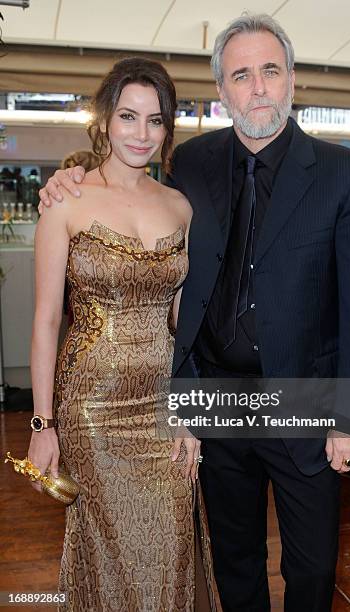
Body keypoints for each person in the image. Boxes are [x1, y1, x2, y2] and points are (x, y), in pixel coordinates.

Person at [39, 14, 350, 612]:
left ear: (292, 80)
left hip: (305, 402)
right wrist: (69, 179)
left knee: (311, 568)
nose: (257, 88)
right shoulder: (193, 165)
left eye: (270, 72)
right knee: (234, 559)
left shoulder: (344, 174)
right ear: (222, 91)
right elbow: (130, 192)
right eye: (241, 75)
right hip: (215, 399)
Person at [28, 57, 216, 611]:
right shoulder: (67, 200)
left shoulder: (180, 208)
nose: (141, 133)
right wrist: (43, 423)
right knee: (113, 560)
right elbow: (44, 320)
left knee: (169, 553)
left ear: (167, 129)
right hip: (93, 412)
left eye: (155, 121)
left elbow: (183, 329)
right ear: (106, 118)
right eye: (129, 117)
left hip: (161, 408)